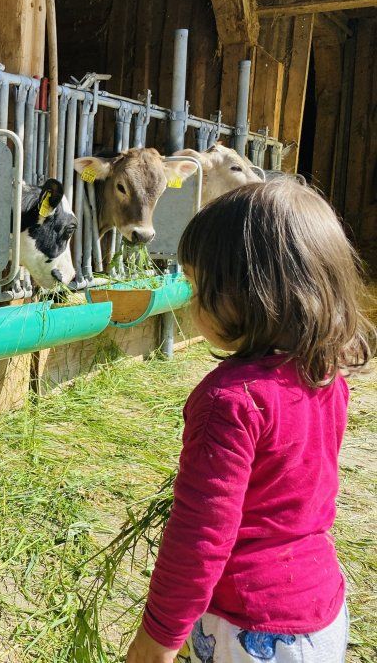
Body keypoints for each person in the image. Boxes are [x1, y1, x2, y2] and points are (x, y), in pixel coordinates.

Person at [126, 180, 374, 663]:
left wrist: (155, 642)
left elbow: (199, 539)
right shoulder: (324, 375)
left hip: (251, 631)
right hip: (322, 613)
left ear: (244, 295)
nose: (191, 303)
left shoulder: (229, 402)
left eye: (198, 287)